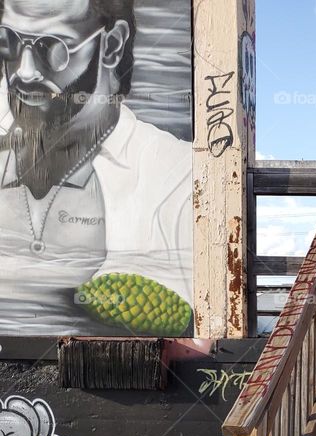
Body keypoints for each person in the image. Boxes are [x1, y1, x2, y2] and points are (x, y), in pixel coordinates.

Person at [0, 0, 192, 335]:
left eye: (53, 48)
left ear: (112, 45)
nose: (24, 71)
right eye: (9, 42)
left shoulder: (179, 178)